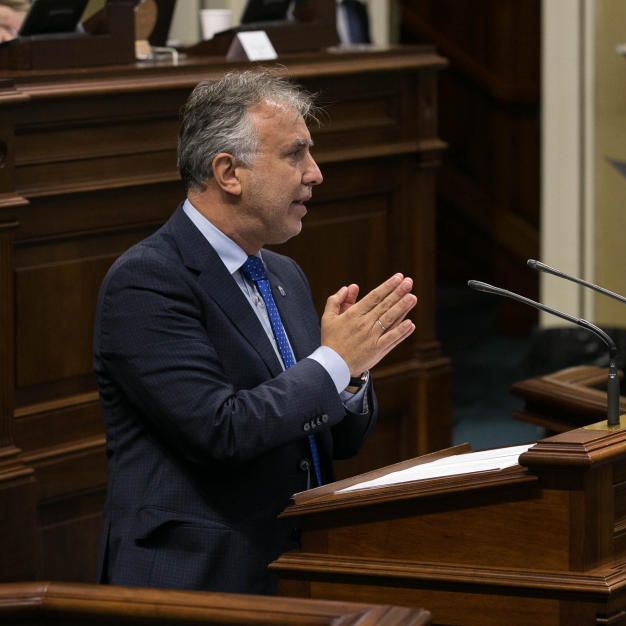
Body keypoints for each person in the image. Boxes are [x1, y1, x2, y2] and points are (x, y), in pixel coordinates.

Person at [93, 69, 416, 594]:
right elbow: (222, 431)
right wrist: (335, 362)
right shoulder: (147, 281)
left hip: (297, 559)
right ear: (228, 172)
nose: (315, 174)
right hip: (198, 580)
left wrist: (352, 377)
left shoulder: (282, 275)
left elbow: (333, 437)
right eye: (295, 155)